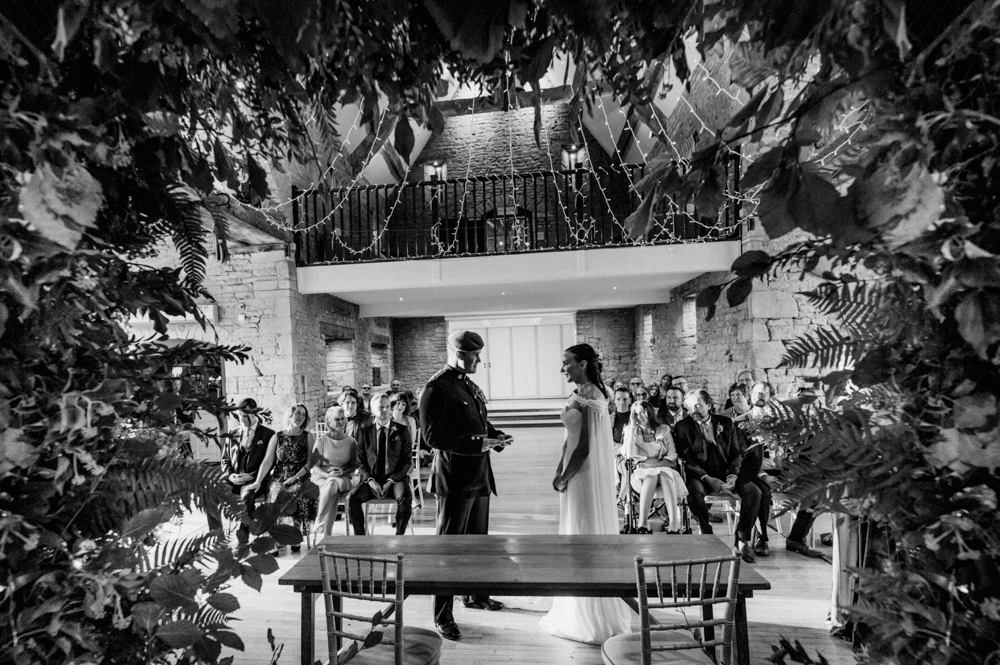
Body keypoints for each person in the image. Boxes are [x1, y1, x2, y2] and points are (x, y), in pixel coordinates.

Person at [421, 330, 512, 641]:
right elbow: (432, 437)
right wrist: (477, 445)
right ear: (459, 354)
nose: (479, 360)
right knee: (449, 550)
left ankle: (474, 594)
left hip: (479, 474)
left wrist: (495, 436)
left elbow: (477, 422)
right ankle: (442, 615)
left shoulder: (467, 384)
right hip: (454, 479)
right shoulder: (436, 387)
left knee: (478, 545)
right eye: (475, 355)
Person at [540, 343, 631, 644]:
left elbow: (585, 448)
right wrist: (558, 468)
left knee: (582, 531)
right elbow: (569, 439)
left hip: (583, 474)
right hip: (570, 468)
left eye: (566, 362)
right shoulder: (577, 392)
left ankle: (590, 608)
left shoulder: (593, 395)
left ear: (582, 364)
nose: (562, 368)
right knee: (573, 530)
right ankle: (574, 596)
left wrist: (566, 475)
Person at [673, 389, 761, 563]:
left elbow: (736, 453)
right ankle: (708, 536)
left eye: (698, 405)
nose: (693, 410)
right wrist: (707, 478)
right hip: (701, 475)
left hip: (727, 472)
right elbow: (688, 459)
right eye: (689, 406)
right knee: (693, 492)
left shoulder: (726, 423)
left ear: (709, 405)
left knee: (754, 492)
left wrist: (733, 475)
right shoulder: (682, 427)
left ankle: (742, 540)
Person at [345, 393, 413, 535]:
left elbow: (407, 461)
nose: (385, 410)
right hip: (371, 479)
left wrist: (391, 480)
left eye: (387, 406)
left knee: (405, 497)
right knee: (352, 498)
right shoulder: (364, 432)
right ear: (373, 410)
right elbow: (360, 461)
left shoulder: (402, 431)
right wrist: (370, 481)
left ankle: (399, 537)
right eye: (381, 407)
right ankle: (360, 538)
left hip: (395, 480)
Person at [620, 400, 687, 534]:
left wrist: (653, 463)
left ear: (649, 413)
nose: (640, 416)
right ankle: (643, 523)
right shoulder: (630, 430)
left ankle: (674, 524)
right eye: (636, 414)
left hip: (664, 467)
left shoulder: (663, 429)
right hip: (641, 473)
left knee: (664, 475)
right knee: (651, 476)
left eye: (643, 412)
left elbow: (672, 456)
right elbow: (629, 454)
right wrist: (632, 427)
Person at [221, 398, 278, 544]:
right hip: (233, 480)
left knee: (247, 496)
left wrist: (251, 476)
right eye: (240, 416)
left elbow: (270, 463)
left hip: (254, 481)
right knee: (210, 492)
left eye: (245, 416)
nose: (242, 419)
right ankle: (216, 536)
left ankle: (242, 538)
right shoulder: (232, 433)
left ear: (254, 414)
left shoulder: (268, 434)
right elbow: (225, 460)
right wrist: (230, 475)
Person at [310, 406, 358, 537]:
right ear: (329, 422)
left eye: (342, 418)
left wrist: (342, 473)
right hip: (321, 477)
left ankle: (319, 519)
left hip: (343, 478)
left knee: (333, 484)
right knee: (332, 490)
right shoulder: (321, 440)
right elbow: (314, 467)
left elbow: (353, 466)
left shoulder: (351, 442)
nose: (341, 422)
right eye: (337, 419)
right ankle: (328, 535)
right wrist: (327, 475)